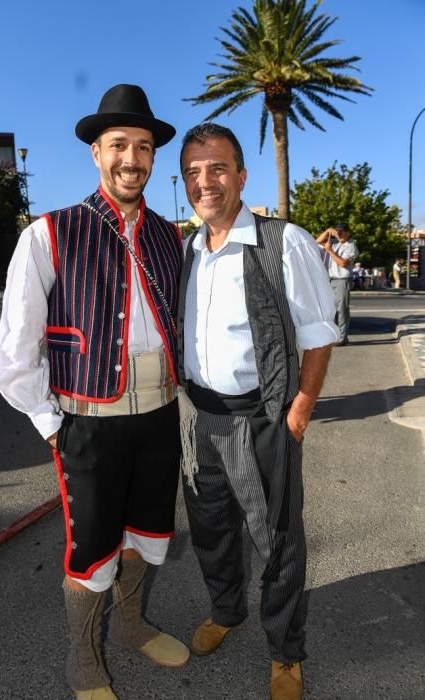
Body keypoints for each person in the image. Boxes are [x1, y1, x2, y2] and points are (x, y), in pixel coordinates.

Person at [0, 84, 189, 700]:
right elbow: (16, 350)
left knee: (147, 533)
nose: (131, 158)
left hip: (159, 413)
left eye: (142, 147)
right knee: (92, 546)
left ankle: (129, 628)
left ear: (154, 157)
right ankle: (83, 659)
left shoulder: (168, 235)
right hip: (88, 419)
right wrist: (53, 423)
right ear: (96, 154)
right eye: (118, 146)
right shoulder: (49, 233)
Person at [176, 123, 339, 700]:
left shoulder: (282, 242)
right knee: (211, 530)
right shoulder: (187, 252)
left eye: (217, 168)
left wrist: (298, 413)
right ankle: (226, 612)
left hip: (262, 418)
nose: (205, 182)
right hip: (203, 421)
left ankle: (286, 652)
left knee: (276, 541)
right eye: (193, 172)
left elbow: (319, 335)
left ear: (241, 175)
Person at [316, 222, 358, 346]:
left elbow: (343, 263)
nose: (339, 234)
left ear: (348, 232)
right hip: (328, 279)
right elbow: (315, 243)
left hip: (341, 280)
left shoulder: (351, 246)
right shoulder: (333, 242)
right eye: (337, 231)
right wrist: (327, 231)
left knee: (341, 309)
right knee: (330, 309)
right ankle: (334, 335)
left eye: (342, 231)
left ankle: (342, 337)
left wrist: (329, 251)